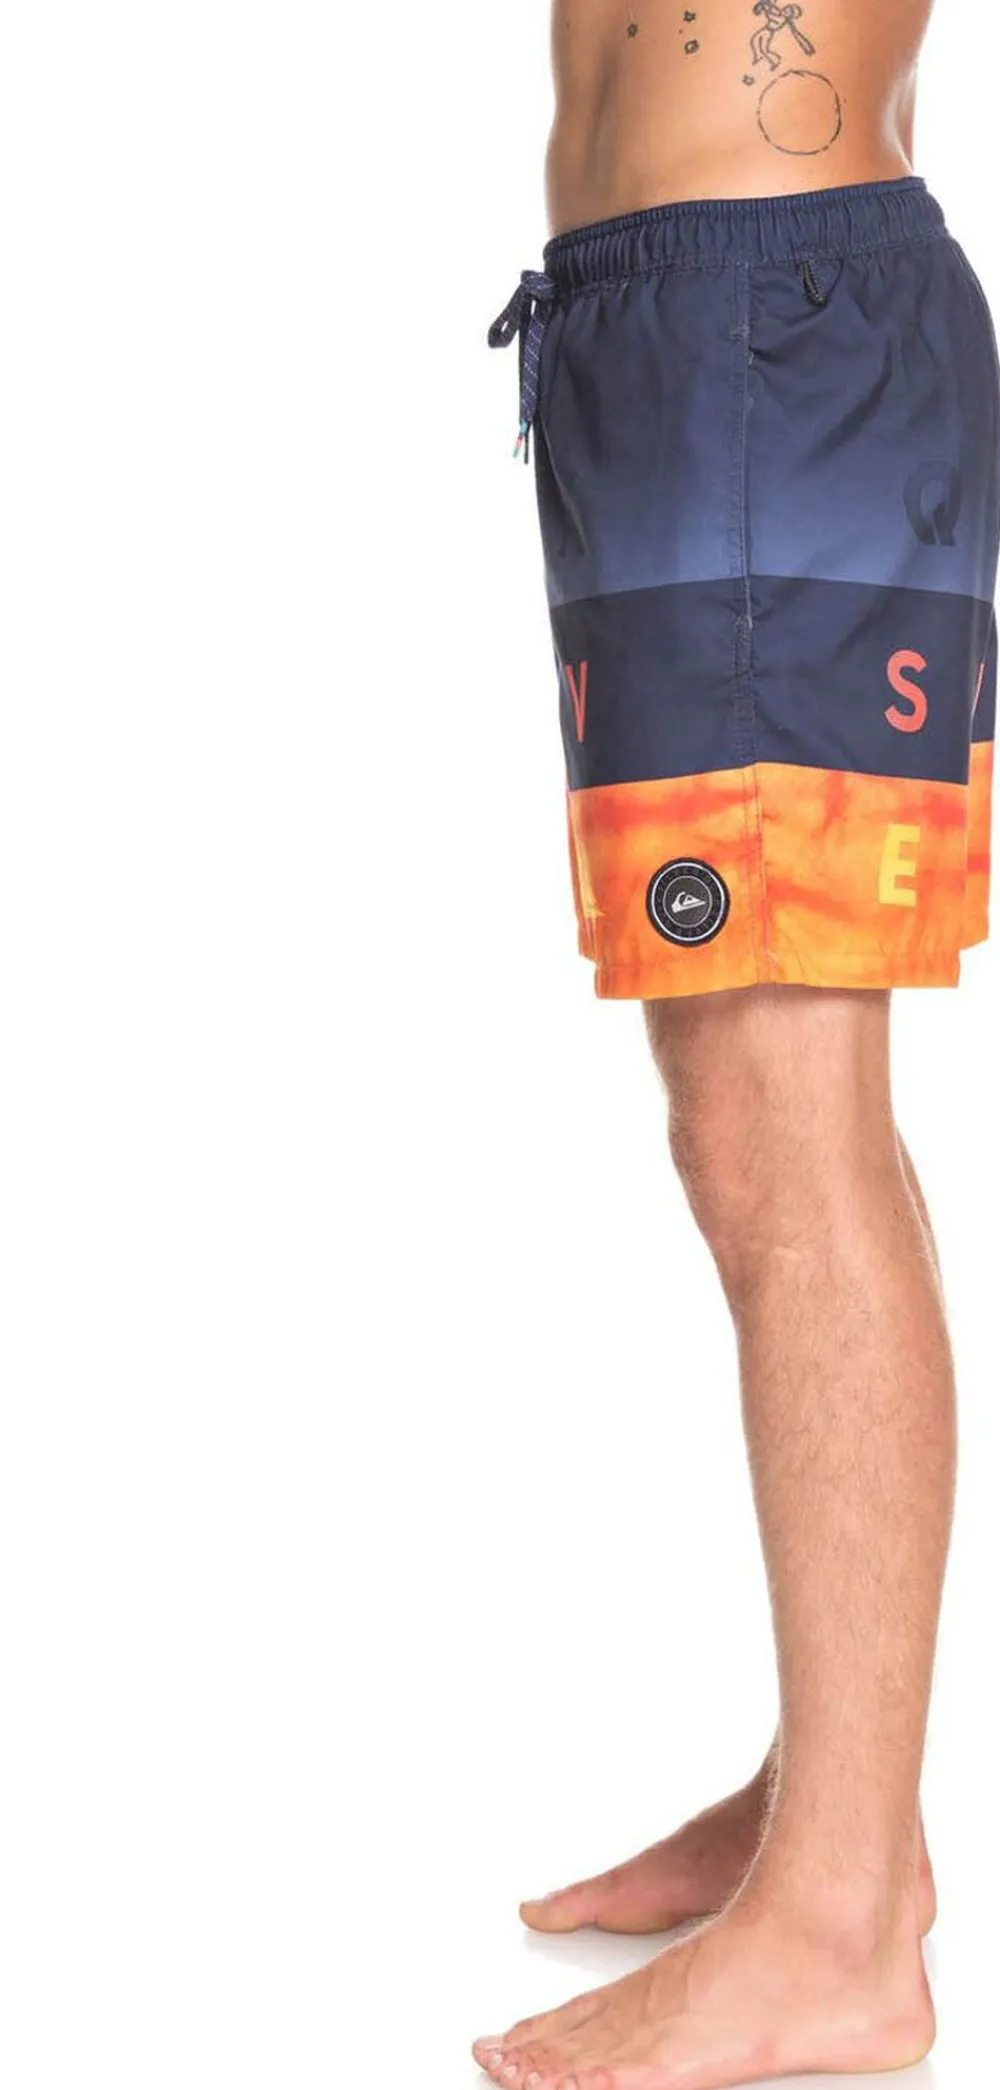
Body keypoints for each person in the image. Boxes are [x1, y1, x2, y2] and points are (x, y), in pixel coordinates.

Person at [478, 2, 1000, 2085]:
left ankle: (841, 1924)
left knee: (782, 1139)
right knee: (756, 1130)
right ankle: (834, 1810)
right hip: (662, 333)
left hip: (764, 331)